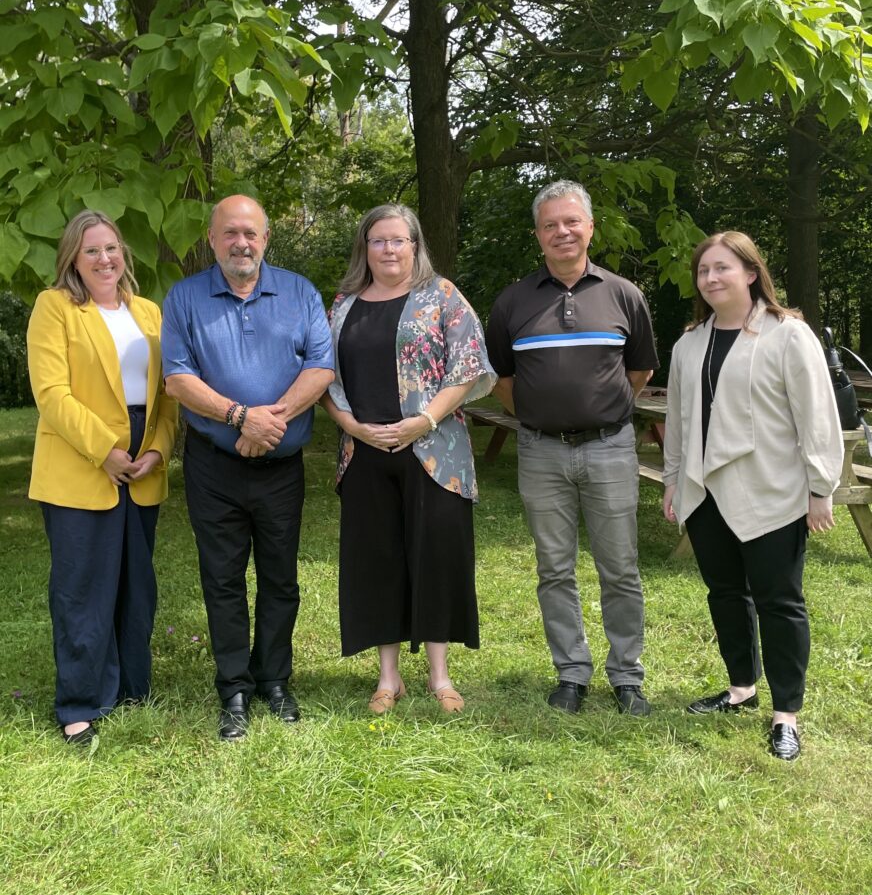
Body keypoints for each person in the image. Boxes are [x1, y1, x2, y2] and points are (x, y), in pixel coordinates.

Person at [662, 231, 843, 760]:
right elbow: (679, 419)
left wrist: (820, 487)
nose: (711, 278)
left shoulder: (788, 335)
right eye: (703, 271)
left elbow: (817, 416)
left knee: (779, 601)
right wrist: (673, 478)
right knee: (725, 594)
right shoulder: (689, 342)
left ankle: (786, 712)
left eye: (722, 267)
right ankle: (741, 687)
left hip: (772, 491)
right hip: (703, 491)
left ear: (749, 272)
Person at [161, 195, 334, 741]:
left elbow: (321, 365)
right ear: (212, 239)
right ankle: (233, 687)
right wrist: (240, 418)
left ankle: (275, 680)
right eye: (231, 233)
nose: (242, 243)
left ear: (266, 239)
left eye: (251, 233)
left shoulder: (300, 292)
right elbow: (177, 377)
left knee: (281, 580)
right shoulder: (185, 297)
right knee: (222, 579)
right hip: (214, 467)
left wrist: (269, 424)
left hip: (281, 466)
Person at [486, 180, 658, 716]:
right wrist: (544, 416)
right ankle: (571, 674)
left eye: (571, 222)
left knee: (621, 567)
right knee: (554, 567)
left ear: (589, 228)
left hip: (609, 449)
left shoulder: (624, 294)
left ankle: (627, 677)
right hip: (541, 452)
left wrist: (599, 413)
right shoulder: (513, 301)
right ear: (538, 235)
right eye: (550, 224)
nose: (562, 231)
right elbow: (502, 379)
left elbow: (639, 370)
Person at [321, 203, 495, 714]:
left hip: (433, 451)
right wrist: (351, 425)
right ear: (365, 248)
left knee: (436, 557)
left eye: (399, 240)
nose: (389, 249)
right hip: (364, 452)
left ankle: (440, 676)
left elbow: (467, 368)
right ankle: (388, 677)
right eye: (378, 240)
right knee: (378, 561)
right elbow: (320, 374)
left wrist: (424, 421)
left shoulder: (441, 296)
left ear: (415, 246)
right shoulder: (343, 305)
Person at [27, 210, 178, 746]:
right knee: (82, 590)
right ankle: (80, 704)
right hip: (81, 460)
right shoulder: (56, 308)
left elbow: (167, 396)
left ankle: (132, 690)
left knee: (137, 587)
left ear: (124, 253)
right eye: (91, 250)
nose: (104, 258)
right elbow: (52, 396)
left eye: (111, 247)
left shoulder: (150, 313)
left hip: (142, 464)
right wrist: (105, 451)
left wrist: (157, 450)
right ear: (72, 257)